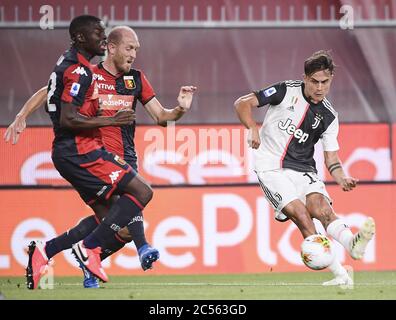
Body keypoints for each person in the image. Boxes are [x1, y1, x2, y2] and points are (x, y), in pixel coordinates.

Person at [16, 16, 196, 289]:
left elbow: (162, 118)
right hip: (95, 155)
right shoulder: (88, 73)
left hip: (124, 158)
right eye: (129, 48)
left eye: (137, 50)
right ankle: (134, 248)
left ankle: (53, 251)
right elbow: (49, 90)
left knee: (115, 225)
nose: (134, 55)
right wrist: (22, 113)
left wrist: (180, 109)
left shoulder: (136, 80)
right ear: (111, 48)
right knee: (134, 203)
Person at [234, 50, 375, 286]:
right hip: (270, 167)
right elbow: (242, 103)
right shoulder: (284, 90)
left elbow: (332, 159)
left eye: (325, 82)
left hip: (303, 169)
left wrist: (341, 177)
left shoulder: (329, 116)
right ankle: (340, 274)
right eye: (315, 82)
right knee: (301, 214)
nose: (320, 88)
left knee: (321, 208)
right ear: (305, 78)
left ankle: (353, 246)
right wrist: (252, 127)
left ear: (331, 80)